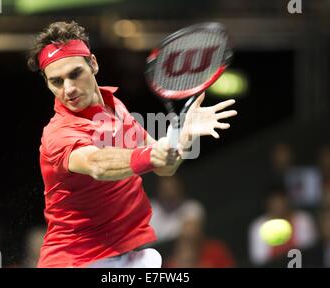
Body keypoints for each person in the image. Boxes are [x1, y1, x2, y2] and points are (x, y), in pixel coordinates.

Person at [27, 21, 237, 268]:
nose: (69, 89)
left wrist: (185, 136)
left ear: (93, 64)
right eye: (57, 81)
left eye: (75, 74)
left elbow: (164, 167)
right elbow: (97, 164)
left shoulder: (115, 107)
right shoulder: (58, 134)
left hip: (124, 256)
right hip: (77, 262)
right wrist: (150, 156)